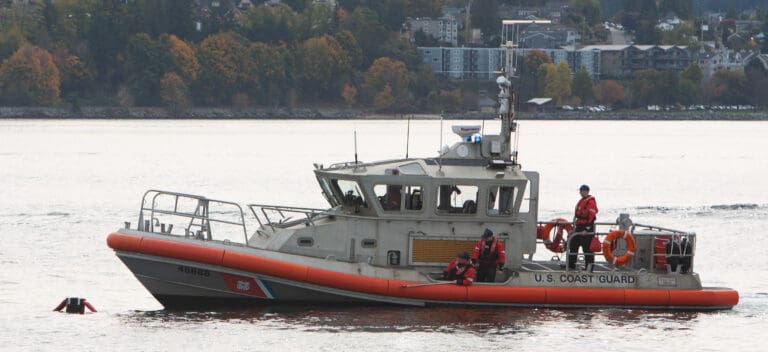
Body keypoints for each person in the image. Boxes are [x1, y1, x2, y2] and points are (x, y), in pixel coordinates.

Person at [568, 184, 599, 271]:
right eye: (580, 191)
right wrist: (574, 229)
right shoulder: (582, 200)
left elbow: (592, 216)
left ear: (586, 191)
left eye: (582, 191)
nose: (580, 192)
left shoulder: (591, 201)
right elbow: (577, 216)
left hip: (587, 227)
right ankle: (571, 265)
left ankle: (589, 268)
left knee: (587, 248)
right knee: (573, 245)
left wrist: (587, 229)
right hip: (579, 226)